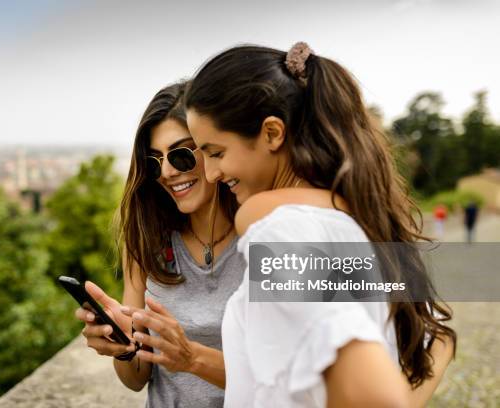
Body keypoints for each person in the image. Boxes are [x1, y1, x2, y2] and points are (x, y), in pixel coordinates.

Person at [183, 42, 457, 407]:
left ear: (272, 133)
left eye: (216, 153)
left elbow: (376, 396)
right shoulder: (351, 220)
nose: (211, 173)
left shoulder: (283, 229)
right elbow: (440, 343)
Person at [74, 81, 245, 407]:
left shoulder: (267, 238)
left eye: (180, 155)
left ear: (213, 149)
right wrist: (125, 346)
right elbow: (137, 380)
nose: (166, 171)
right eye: (154, 161)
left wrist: (191, 357)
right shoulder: (146, 241)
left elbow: (287, 378)